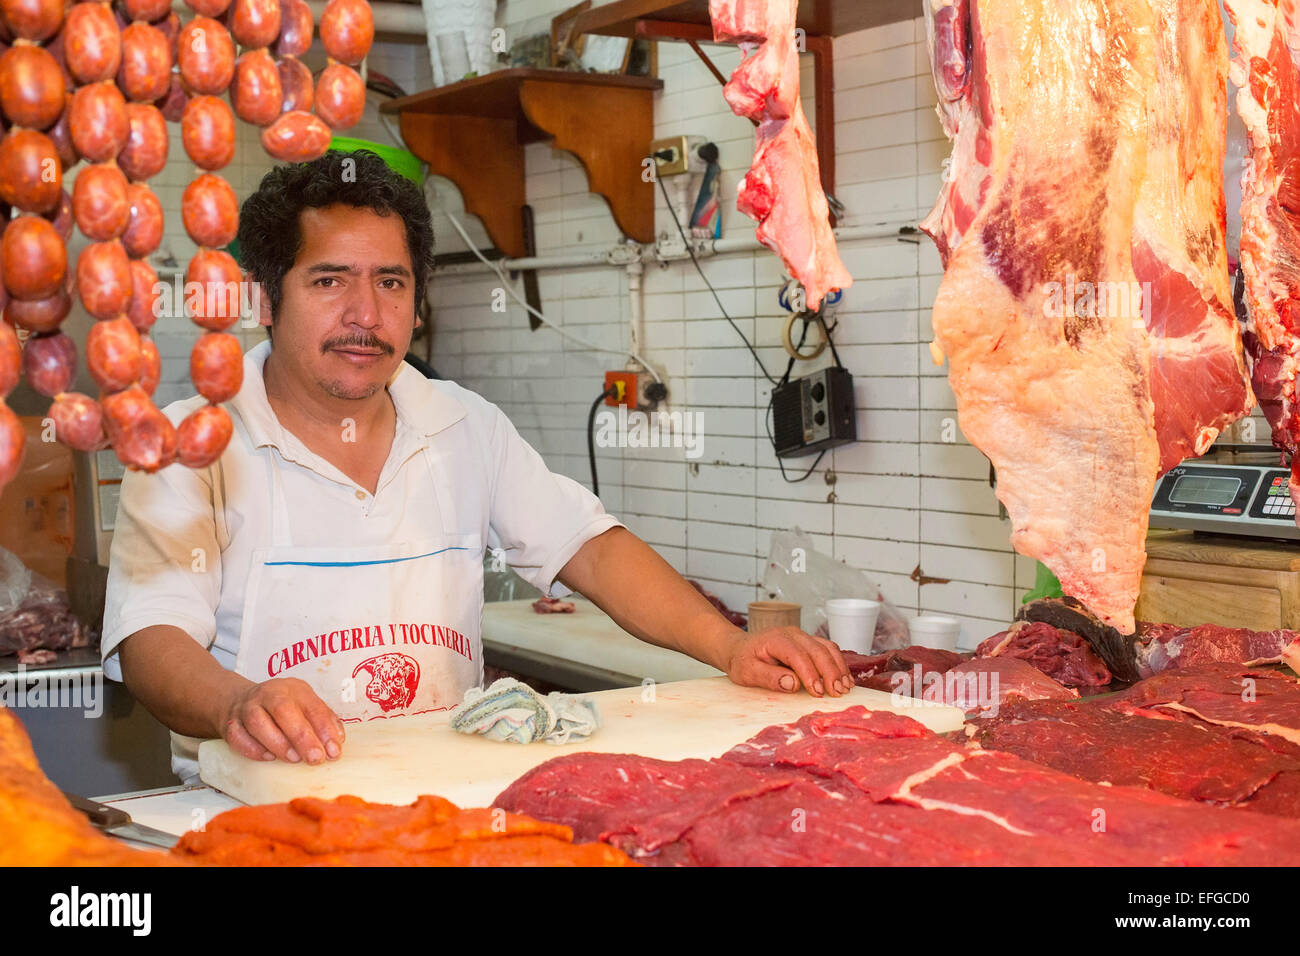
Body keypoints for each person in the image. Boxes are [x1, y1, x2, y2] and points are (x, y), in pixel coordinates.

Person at [101, 150, 852, 784]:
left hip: (441, 802)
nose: (367, 314)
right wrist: (237, 703)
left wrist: (728, 645)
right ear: (266, 299)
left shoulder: (461, 423)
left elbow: (588, 547)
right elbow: (151, 641)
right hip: (262, 814)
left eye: (391, 283)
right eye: (330, 281)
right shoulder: (190, 444)